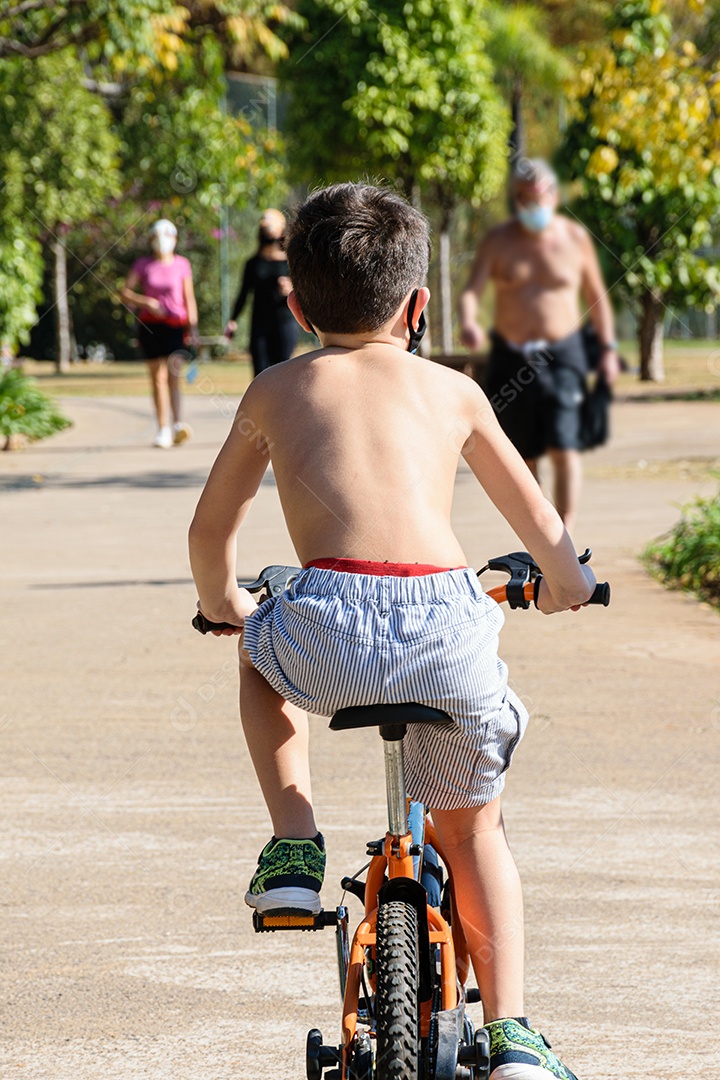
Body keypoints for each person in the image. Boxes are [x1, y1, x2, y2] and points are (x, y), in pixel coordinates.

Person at [189, 182, 597, 1080]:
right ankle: (515, 1035)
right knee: (475, 831)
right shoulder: (453, 390)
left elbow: (208, 535)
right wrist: (568, 582)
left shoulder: (275, 387)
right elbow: (542, 528)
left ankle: (294, 835)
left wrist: (227, 604)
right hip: (447, 629)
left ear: (294, 305)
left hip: (327, 633)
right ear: (418, 306)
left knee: (261, 646)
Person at [459, 159, 620, 534]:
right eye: (526, 199)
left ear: (554, 197)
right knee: (522, 453)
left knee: (564, 446)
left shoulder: (574, 239)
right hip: (512, 357)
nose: (534, 205)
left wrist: (608, 349)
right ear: (517, 199)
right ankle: (543, 529)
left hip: (562, 355)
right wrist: (468, 322)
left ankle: (567, 529)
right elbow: (473, 291)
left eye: (540, 197)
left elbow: (597, 296)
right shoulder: (500, 241)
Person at [121, 219, 198, 448]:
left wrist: (193, 327)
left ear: (175, 239)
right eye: (157, 236)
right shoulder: (143, 264)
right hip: (150, 326)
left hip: (175, 326)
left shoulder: (182, 264)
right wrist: (146, 302)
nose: (162, 240)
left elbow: (188, 298)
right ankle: (162, 428)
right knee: (157, 378)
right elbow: (124, 292)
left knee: (174, 376)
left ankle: (177, 424)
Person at [224, 209, 298, 378]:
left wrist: (291, 289)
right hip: (260, 324)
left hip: (284, 322)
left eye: (271, 227)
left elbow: (305, 292)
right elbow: (244, 293)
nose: (268, 232)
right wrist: (233, 319)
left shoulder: (290, 262)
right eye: (265, 227)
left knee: (282, 372)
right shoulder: (253, 263)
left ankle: (281, 405)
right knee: (261, 373)